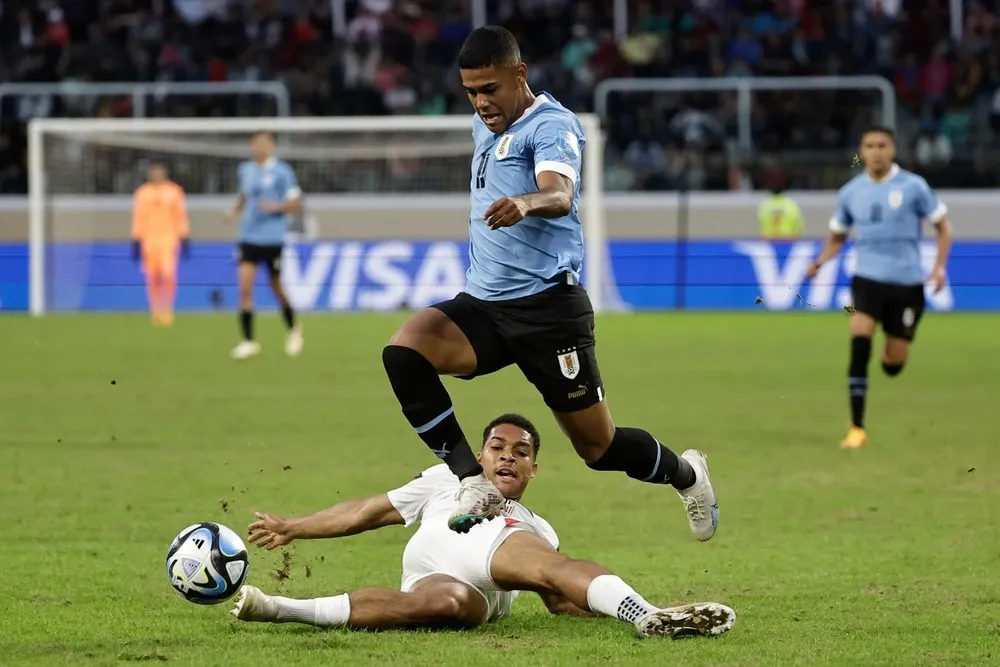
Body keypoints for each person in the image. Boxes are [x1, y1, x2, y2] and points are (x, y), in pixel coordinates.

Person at [379, 26, 719, 538]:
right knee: (404, 352)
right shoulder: (485, 127)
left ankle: (688, 474)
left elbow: (558, 193)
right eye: (471, 91)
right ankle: (474, 480)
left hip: (548, 311)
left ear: (519, 74)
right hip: (486, 306)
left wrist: (524, 203)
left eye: (489, 89)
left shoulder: (553, 126)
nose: (480, 103)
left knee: (598, 449)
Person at [232, 413, 737, 638]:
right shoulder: (443, 478)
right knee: (444, 602)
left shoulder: (535, 525)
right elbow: (367, 511)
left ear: (534, 469)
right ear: (480, 455)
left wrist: (601, 609)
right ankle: (278, 609)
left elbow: (561, 597)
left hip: (496, 559)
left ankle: (644, 615)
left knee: (543, 562)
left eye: (522, 453)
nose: (508, 458)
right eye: (497, 448)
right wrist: (294, 526)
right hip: (433, 573)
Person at [806, 126, 952, 449]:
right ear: (862, 150)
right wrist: (820, 261)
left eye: (882, 145)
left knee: (893, 365)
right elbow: (837, 236)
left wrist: (939, 267)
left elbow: (943, 227)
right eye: (869, 145)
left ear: (893, 150)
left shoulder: (914, 187)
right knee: (859, 340)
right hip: (866, 280)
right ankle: (856, 427)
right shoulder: (851, 192)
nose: (875, 151)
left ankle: (892, 355)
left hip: (907, 283)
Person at [225, 131, 304, 360]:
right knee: (245, 287)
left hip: (272, 239)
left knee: (276, 287)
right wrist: (234, 210)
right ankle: (249, 341)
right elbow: (244, 195)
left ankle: (294, 329)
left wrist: (276, 207)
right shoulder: (246, 170)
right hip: (248, 237)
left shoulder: (282, 172)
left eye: (264, 143)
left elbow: (295, 203)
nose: (259, 147)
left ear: (272, 146)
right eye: (256, 143)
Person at [131, 162, 189, 326]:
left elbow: (180, 215)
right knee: (152, 276)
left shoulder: (174, 191)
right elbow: (138, 216)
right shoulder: (142, 193)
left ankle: (168, 309)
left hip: (168, 239)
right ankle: (155, 310)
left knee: (168, 274)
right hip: (149, 240)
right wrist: (136, 238)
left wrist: (184, 236)